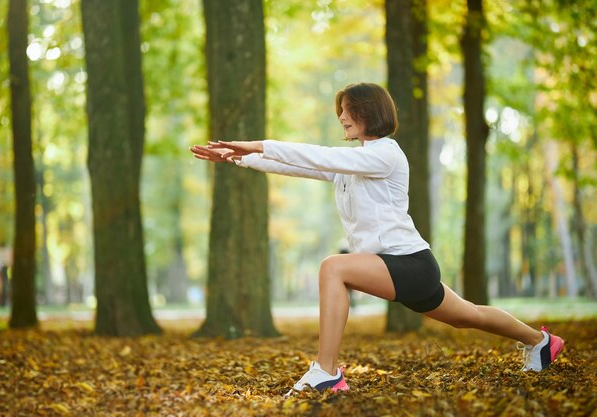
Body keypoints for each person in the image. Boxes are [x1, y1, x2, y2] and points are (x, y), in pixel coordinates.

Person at [189, 82, 564, 396]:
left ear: (370, 112)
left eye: (348, 109)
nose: (341, 117)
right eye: (340, 110)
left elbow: (318, 155)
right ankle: (541, 342)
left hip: (409, 264)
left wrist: (258, 144)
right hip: (399, 266)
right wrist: (238, 158)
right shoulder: (353, 163)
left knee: (333, 268)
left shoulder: (386, 154)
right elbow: (303, 164)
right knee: (468, 316)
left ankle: (327, 371)